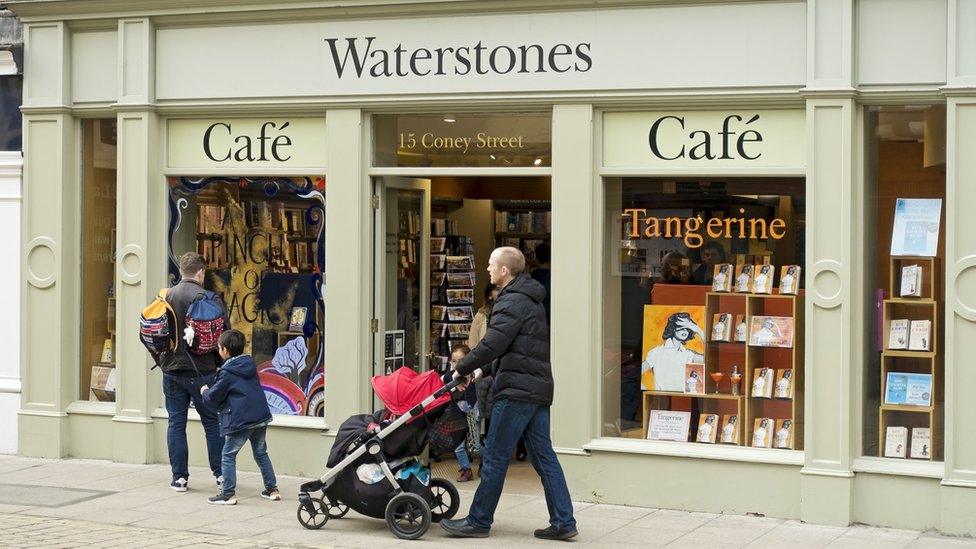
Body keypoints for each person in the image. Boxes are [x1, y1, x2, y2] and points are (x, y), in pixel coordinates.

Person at [440, 247, 577, 541]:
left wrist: (461, 367)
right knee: (544, 457)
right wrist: (479, 372)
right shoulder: (529, 299)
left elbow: (493, 344)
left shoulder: (511, 301)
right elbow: (514, 350)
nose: (487, 270)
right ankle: (564, 521)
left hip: (516, 392)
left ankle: (478, 521)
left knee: (495, 457)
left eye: (491, 265)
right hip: (535, 388)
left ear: (505, 271)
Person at [157, 252, 228, 493]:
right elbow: (224, 334)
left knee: (176, 423)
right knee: (211, 422)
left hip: (172, 369)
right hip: (204, 370)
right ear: (201, 272)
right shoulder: (208, 297)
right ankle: (220, 474)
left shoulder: (166, 296)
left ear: (181, 271)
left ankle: (179, 478)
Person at [200, 330, 279, 505]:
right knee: (261, 453)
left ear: (225, 350)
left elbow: (213, 397)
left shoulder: (228, 372)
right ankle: (272, 489)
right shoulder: (249, 364)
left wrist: (204, 390)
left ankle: (228, 493)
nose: (219, 350)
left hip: (242, 420)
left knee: (228, 454)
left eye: (219, 348)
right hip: (260, 416)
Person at [641, 312, 705, 392]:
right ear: (673, 328)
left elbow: (708, 360)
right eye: (681, 327)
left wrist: (699, 330)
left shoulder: (688, 354)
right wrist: (646, 391)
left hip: (684, 399)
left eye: (688, 328)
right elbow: (636, 373)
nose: (685, 331)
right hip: (661, 399)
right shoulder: (657, 352)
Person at [449, 344, 480, 483]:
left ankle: (488, 461)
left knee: (475, 446)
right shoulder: (449, 376)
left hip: (471, 412)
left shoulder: (474, 374)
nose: (457, 364)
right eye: (454, 361)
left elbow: (479, 373)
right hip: (456, 413)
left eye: (461, 360)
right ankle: (466, 470)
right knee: (458, 445)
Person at [530, 242, 551, 325]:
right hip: (552, 316)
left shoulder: (531, 278)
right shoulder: (556, 277)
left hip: (536, 318)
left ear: (536, 258)